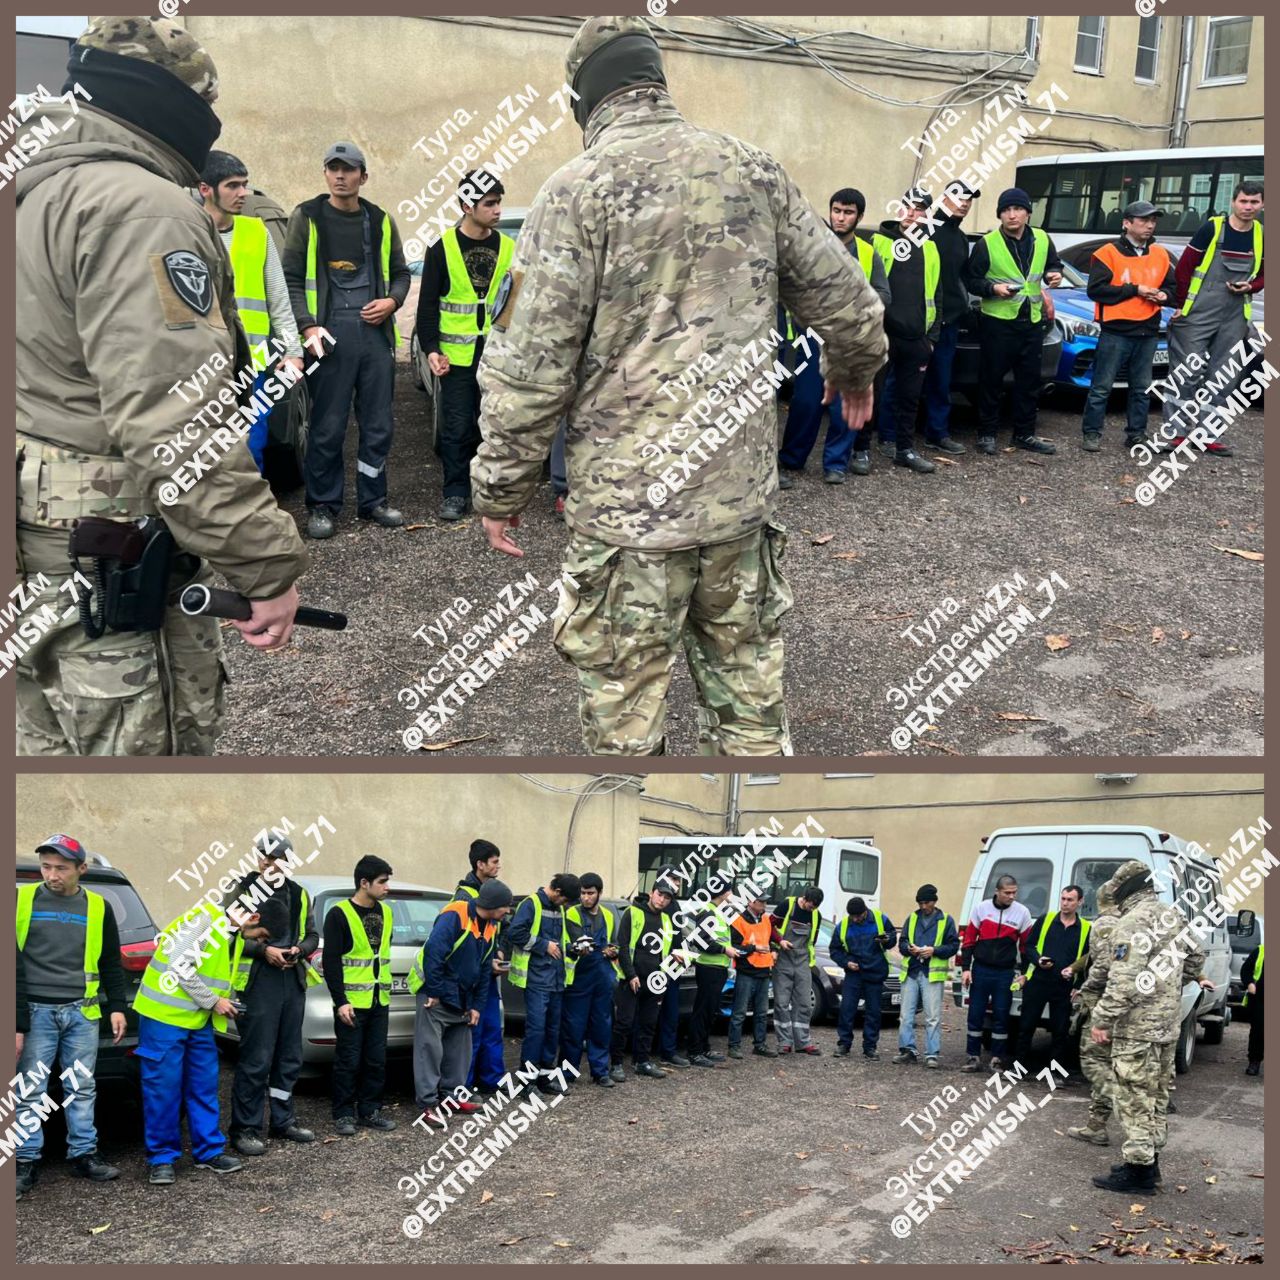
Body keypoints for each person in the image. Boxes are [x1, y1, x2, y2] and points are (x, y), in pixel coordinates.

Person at [471, 16, 887, 756]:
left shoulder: (573, 194)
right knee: (752, 711)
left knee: (626, 726)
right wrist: (854, 373)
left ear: (585, 100)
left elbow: (529, 372)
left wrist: (499, 492)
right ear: (655, 79)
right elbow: (849, 302)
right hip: (737, 512)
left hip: (629, 526)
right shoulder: (752, 171)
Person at [14, 16, 307, 757]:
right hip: (110, 543)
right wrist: (265, 567)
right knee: (145, 746)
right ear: (181, 110)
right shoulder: (142, 207)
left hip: (38, 543)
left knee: (50, 735)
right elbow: (174, 420)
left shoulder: (32, 190)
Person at [283, 141, 410, 538]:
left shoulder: (380, 220)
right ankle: (323, 505)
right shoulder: (307, 216)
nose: (340, 176)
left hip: (373, 336)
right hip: (328, 334)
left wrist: (391, 301)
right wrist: (306, 325)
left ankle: (374, 501)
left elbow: (402, 273)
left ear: (363, 176)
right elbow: (289, 278)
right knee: (327, 425)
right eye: (333, 168)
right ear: (325, 174)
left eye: (349, 169)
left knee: (377, 424)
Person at [1085, 860, 1213, 1193]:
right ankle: (1150, 1162)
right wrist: (1167, 979)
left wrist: (1102, 1018)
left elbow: (1124, 981)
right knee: (1156, 1095)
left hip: (1137, 1028)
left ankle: (1138, 1171)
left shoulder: (1131, 923)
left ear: (1123, 889)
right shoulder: (1172, 916)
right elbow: (1197, 959)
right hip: (1168, 1025)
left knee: (1132, 1097)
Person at [13, 836, 128, 1197]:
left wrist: (117, 1008)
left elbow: (111, 961)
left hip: (82, 1011)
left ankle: (84, 1154)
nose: (52, 875)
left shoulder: (98, 906)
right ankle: (26, 1160)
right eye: (46, 867)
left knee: (81, 1086)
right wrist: (17, 1023)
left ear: (81, 869)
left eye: (61, 868)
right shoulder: (20, 900)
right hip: (36, 1012)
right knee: (30, 1089)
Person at [134, 899, 267, 1184]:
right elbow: (179, 964)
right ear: (250, 914)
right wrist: (213, 1001)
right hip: (164, 1018)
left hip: (196, 1020)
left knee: (203, 1087)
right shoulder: (205, 921)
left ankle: (208, 1152)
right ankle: (162, 1158)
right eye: (259, 927)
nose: (258, 935)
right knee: (163, 1091)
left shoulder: (225, 928)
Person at [415, 171, 515, 521]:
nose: (497, 210)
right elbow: (427, 307)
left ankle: (493, 494)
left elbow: (518, 303)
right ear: (466, 206)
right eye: (490, 203)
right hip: (455, 359)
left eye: (499, 202)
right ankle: (456, 493)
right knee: (457, 428)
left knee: (496, 428)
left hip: (498, 357)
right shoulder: (441, 247)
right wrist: (431, 350)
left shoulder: (508, 247)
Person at [197, 151, 305, 471]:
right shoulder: (187, 233)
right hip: (203, 368)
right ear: (206, 189)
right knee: (205, 453)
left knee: (252, 447)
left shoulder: (256, 233)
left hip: (253, 365)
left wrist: (294, 350)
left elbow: (278, 299)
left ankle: (250, 518)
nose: (243, 193)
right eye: (233, 186)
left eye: (244, 185)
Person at [778, 188, 891, 486]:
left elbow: (883, 294)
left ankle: (836, 464)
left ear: (860, 217)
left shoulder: (868, 253)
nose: (841, 218)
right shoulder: (811, 249)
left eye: (848, 212)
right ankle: (792, 458)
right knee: (805, 401)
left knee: (843, 407)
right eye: (837, 211)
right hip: (813, 339)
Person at [227, 836, 320, 1156]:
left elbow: (312, 934)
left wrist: (299, 949)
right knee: (256, 1059)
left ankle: (282, 1121)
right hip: (258, 982)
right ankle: (245, 1129)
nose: (266, 863)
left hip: (291, 981)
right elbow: (228, 936)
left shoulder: (299, 894)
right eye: (262, 857)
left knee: (288, 1058)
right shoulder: (241, 890)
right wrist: (265, 950)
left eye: (275, 857)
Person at [1161, 181, 1264, 458]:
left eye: (1254, 202)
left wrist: (1251, 287)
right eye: (1244, 201)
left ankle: (1209, 435)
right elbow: (1184, 268)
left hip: (1234, 316)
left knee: (1224, 376)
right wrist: (1181, 305)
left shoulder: (1262, 235)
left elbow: (1266, 273)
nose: (1248, 207)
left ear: (1262, 205)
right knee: (1187, 372)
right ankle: (1176, 434)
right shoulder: (1212, 228)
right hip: (1198, 313)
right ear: (1233, 201)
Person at [962, 186, 1063, 457]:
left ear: (1027, 213)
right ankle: (987, 434)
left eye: (1017, 209)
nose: (1011, 215)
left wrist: (1055, 274)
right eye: (1006, 210)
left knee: (1029, 382)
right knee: (991, 381)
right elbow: (970, 279)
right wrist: (993, 289)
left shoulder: (1042, 238)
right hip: (998, 321)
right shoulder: (988, 244)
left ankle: (1024, 434)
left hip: (1031, 321)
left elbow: (1054, 265)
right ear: (1000, 215)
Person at [409, 878, 511, 1123]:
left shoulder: (489, 926)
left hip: (462, 998)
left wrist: (476, 1005)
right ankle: (428, 1105)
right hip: (436, 995)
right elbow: (434, 953)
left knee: (459, 1051)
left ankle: (452, 1095)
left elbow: (485, 967)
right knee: (429, 1051)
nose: (508, 911)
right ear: (494, 905)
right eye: (506, 906)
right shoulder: (455, 915)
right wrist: (433, 991)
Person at [1081, 201, 1176, 453]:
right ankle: (1091, 434)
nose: (1150, 225)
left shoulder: (1160, 254)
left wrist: (1165, 296)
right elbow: (1096, 290)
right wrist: (1136, 289)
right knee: (1102, 387)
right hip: (1116, 331)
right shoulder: (1107, 253)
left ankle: (1136, 434)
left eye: (1153, 221)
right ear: (1126, 223)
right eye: (1144, 220)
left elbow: (1173, 288)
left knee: (1141, 389)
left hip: (1147, 331)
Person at [861, 188, 942, 475]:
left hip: (915, 338)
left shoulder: (931, 248)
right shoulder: (878, 242)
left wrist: (930, 339)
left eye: (919, 209)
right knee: (872, 394)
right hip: (881, 335)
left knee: (909, 399)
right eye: (907, 206)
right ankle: (861, 451)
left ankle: (904, 450)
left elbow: (937, 294)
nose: (911, 212)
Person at [322, 856, 397, 1135]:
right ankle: (343, 1113)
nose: (387, 887)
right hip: (351, 1004)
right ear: (364, 883)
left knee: (376, 1059)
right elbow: (331, 962)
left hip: (380, 1001)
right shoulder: (339, 914)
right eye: (382, 881)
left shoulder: (387, 913)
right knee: (348, 1060)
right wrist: (340, 1000)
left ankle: (370, 1110)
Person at [505, 873, 581, 1096]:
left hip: (556, 980)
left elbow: (562, 942)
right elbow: (514, 933)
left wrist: (575, 949)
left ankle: (546, 1078)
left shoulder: (559, 908)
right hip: (537, 980)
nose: (566, 905)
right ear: (557, 892)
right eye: (565, 900)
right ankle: (526, 1083)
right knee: (536, 1031)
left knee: (551, 1031)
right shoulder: (531, 904)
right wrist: (543, 945)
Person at [919, 180, 978, 455]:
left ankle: (937, 433)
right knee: (903, 380)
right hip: (920, 321)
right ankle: (890, 437)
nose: (964, 203)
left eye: (969, 200)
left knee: (941, 381)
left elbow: (961, 279)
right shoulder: (924, 231)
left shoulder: (961, 237)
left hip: (950, 320)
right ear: (944, 199)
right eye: (959, 198)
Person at [1012, 885, 1090, 1076]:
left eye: (1070, 900)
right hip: (1038, 981)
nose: (1065, 903)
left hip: (1063, 986)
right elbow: (1028, 947)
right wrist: (1038, 960)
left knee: (1060, 1031)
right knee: (1026, 1027)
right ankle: (1017, 1069)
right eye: (1063, 899)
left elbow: (1089, 959)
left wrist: (1078, 985)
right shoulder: (1045, 920)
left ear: (1080, 902)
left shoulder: (1086, 928)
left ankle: (1055, 1073)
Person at [959, 874, 1033, 1072]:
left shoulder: (1022, 913)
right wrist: (966, 968)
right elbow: (969, 940)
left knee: (1001, 1015)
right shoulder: (981, 909)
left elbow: (1026, 947)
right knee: (975, 1014)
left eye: (1014, 893)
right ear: (997, 892)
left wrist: (1024, 973)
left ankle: (997, 1058)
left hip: (1004, 972)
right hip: (981, 969)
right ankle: (973, 1057)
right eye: (1007, 893)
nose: (1011, 897)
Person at [451, 839, 507, 1095]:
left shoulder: (494, 892)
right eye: (494, 861)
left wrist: (499, 951)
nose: (498, 866)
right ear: (480, 864)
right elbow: (463, 940)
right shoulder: (465, 897)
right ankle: (465, 1084)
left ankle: (492, 1080)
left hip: (488, 973)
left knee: (493, 1031)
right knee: (472, 1034)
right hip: (472, 978)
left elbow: (499, 930)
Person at [1068, 879, 1121, 1145]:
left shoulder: (1104, 924)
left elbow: (1101, 965)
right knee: (1110, 1064)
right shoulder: (1135, 922)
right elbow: (1092, 957)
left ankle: (1127, 1107)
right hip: (1129, 1007)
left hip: (1105, 1004)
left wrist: (1085, 990)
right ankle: (1096, 1126)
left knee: (1092, 1059)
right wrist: (1076, 969)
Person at [559, 873, 623, 1087]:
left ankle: (600, 1072)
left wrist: (613, 951)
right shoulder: (572, 913)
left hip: (602, 978)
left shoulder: (608, 915)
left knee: (601, 1027)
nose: (586, 898)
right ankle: (567, 1074)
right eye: (583, 893)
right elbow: (578, 943)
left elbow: (614, 944)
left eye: (590, 893)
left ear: (599, 893)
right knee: (573, 1029)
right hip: (579, 979)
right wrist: (596, 948)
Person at [611, 877, 678, 1080]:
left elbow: (665, 951)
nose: (662, 900)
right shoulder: (633, 912)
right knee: (624, 1023)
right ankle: (615, 1065)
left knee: (649, 1023)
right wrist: (631, 975)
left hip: (655, 979)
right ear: (652, 893)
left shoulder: (666, 920)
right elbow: (622, 947)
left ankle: (642, 1062)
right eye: (660, 894)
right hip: (631, 979)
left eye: (667, 897)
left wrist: (674, 959)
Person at [894, 884, 959, 1069]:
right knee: (906, 1015)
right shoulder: (912, 918)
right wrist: (910, 949)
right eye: (920, 903)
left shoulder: (946, 920)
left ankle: (932, 1054)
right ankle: (907, 1050)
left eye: (927, 903)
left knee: (932, 1017)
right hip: (912, 971)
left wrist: (934, 951)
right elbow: (902, 942)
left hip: (932, 974)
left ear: (935, 901)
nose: (923, 906)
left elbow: (953, 946)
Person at [686, 876, 742, 1068]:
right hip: (708, 968)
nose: (732, 894)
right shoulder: (708, 912)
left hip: (718, 968)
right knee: (702, 1011)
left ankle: (704, 1047)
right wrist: (724, 950)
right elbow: (699, 941)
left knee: (710, 1012)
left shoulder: (718, 912)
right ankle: (695, 1052)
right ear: (724, 892)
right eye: (730, 890)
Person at [830, 896, 896, 1059]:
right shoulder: (843, 926)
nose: (855, 919)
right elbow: (835, 950)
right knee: (847, 1009)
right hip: (854, 973)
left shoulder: (880, 919)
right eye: (852, 916)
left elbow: (892, 937)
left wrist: (887, 940)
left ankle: (870, 1047)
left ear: (865, 911)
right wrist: (846, 963)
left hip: (875, 971)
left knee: (873, 1011)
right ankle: (844, 1044)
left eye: (858, 916)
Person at [770, 886, 826, 1054]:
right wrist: (780, 942)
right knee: (781, 1002)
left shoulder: (817, 915)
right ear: (805, 898)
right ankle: (784, 1042)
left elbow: (812, 941)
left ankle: (803, 1042)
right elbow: (768, 926)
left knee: (804, 1002)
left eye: (815, 907)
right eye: (810, 906)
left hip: (802, 961)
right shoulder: (787, 906)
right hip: (783, 959)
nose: (812, 909)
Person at [727, 893, 780, 1059]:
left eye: (765, 901)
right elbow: (734, 948)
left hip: (764, 971)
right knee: (740, 1012)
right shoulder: (738, 921)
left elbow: (769, 940)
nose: (765, 904)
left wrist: (774, 951)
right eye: (761, 901)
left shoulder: (765, 919)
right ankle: (734, 1046)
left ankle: (760, 1044)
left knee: (761, 1012)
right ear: (751, 902)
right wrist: (754, 948)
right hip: (747, 972)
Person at [1241, 940, 1264, 1077]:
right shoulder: (1261, 950)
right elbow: (1246, 969)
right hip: (1261, 998)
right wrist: (1249, 983)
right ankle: (1254, 1061)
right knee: (1258, 1031)